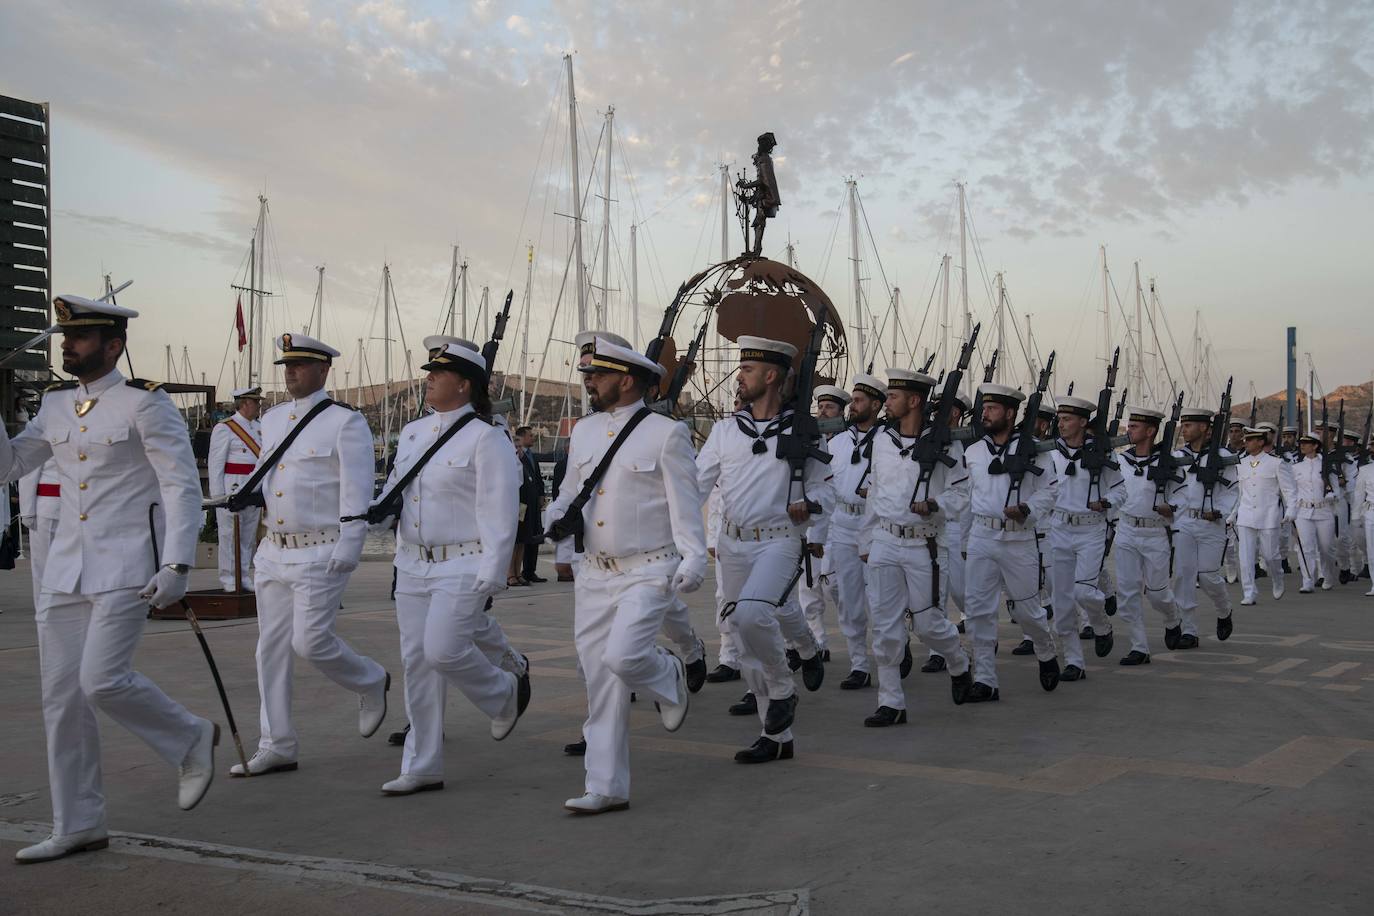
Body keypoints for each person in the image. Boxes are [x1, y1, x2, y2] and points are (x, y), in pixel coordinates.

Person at [2, 295, 217, 864]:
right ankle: (78, 822)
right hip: (64, 566)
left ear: (113, 344)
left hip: (127, 564)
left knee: (101, 680)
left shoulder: (145, 405)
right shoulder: (53, 405)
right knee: (61, 699)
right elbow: (10, 467)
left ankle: (189, 735)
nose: (67, 347)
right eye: (66, 339)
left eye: (79, 338)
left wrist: (178, 563)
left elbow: (180, 487)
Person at [547, 337, 706, 813]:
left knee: (623, 657)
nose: (588, 380)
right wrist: (552, 527)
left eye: (597, 374)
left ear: (627, 379)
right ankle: (606, 786)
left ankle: (668, 673)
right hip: (594, 571)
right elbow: (570, 492)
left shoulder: (665, 433)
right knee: (600, 679)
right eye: (586, 373)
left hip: (649, 568)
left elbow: (685, 503)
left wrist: (695, 557)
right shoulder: (584, 431)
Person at [228, 333, 390, 777]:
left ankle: (371, 680)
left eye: (300, 365)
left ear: (323, 370)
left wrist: (351, 545)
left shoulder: (344, 422)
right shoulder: (275, 419)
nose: (291, 372)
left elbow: (357, 488)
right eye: (286, 365)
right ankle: (276, 743)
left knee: (310, 642)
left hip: (321, 549)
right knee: (271, 649)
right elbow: (269, 475)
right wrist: (244, 495)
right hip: (274, 549)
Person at [378, 343, 531, 796]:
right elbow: (396, 490)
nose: (428, 378)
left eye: (438, 373)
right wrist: (376, 514)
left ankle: (504, 693)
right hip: (412, 562)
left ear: (464, 384)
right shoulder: (412, 433)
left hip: (462, 562)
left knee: (442, 651)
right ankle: (422, 765)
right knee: (416, 663)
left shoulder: (487, 439)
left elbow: (500, 509)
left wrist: (495, 569)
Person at [697, 336, 832, 763]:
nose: (740, 377)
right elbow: (694, 486)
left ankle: (782, 688)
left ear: (771, 376)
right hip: (734, 541)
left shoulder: (805, 432)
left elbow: (827, 492)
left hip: (779, 540)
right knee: (743, 634)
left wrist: (807, 506)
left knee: (754, 615)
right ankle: (776, 737)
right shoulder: (724, 432)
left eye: (748, 370)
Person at [856, 368, 973, 726]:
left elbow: (963, 494)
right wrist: (866, 538)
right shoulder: (881, 440)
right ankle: (891, 701)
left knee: (928, 625)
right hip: (885, 541)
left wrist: (935, 504)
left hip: (925, 545)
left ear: (914, 401)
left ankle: (957, 660)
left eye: (893, 397)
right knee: (886, 626)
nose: (886, 402)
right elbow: (875, 491)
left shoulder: (947, 444)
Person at [960, 383, 1060, 701]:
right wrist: (964, 539)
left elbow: (1050, 490)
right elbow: (966, 497)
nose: (985, 414)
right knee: (978, 610)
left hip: (1018, 539)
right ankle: (986, 679)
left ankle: (1045, 649)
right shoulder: (974, 451)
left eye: (992, 409)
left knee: (1028, 611)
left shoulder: (1035, 449)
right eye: (984, 408)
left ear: (1010, 413)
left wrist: (1027, 509)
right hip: (981, 536)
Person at [1045, 395, 1121, 680]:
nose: (1061, 425)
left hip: (1090, 529)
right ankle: (1074, 662)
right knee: (1062, 601)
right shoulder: (1050, 453)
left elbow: (1121, 491)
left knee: (1083, 591)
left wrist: (1105, 502)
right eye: (1060, 419)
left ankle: (1101, 625)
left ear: (1082, 422)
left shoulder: (1102, 453)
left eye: (1067, 420)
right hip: (1059, 529)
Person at [1112, 406, 1188, 664]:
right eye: (1129, 425)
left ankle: (1171, 617)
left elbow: (1183, 496)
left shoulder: (1169, 462)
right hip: (1126, 530)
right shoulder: (1121, 460)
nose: (1128, 430)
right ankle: (1139, 646)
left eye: (1134, 427)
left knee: (1157, 593)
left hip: (1154, 533)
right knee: (1127, 591)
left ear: (1151, 431)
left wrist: (1171, 508)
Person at [833, 373, 885, 689]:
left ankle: (891, 651)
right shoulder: (837, 441)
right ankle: (859, 665)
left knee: (878, 598)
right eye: (853, 399)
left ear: (876, 405)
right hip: (841, 523)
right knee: (848, 599)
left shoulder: (888, 442)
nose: (854, 405)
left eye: (860, 400)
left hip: (874, 524)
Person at [1171, 405, 1238, 643]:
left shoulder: (1223, 456)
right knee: (1183, 575)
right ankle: (1188, 629)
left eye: (1189, 425)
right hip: (1185, 521)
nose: (1184, 430)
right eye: (1183, 425)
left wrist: (1219, 511)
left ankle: (1224, 609)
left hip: (1211, 523)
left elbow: (1232, 490)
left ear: (1204, 428)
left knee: (1208, 575)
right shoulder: (1178, 457)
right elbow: (1171, 488)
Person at [795, 385, 850, 662]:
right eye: (821, 406)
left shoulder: (850, 442)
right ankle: (818, 641)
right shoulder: (809, 439)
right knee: (808, 587)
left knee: (835, 586)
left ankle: (852, 630)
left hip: (840, 524)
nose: (823, 411)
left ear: (841, 412)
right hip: (814, 523)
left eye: (830, 407)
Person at [1231, 427, 1297, 606]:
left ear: (1260, 442)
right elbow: (1240, 493)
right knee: (1245, 557)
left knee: (1270, 555)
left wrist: (1292, 509)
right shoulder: (1241, 464)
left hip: (1268, 515)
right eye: (1246, 440)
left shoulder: (1276, 463)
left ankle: (1278, 577)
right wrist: (1233, 513)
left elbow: (1289, 490)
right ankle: (1249, 591)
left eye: (1250, 440)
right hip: (1245, 515)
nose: (1246, 442)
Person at [207, 385, 264, 592]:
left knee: (248, 535)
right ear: (246, 403)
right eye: (257, 402)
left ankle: (243, 575)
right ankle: (229, 577)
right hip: (232, 485)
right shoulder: (225, 428)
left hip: (253, 486)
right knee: (229, 534)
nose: (259, 406)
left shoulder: (258, 428)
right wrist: (218, 497)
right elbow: (215, 464)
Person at [1290, 431, 1340, 593]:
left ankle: (1327, 575)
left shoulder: (1326, 464)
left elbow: (1336, 488)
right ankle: (1308, 581)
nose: (1302, 446)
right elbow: (1292, 491)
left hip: (1324, 511)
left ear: (1315, 446)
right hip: (1303, 512)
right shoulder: (1296, 467)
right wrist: (1292, 510)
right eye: (1301, 443)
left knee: (1326, 548)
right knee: (1306, 547)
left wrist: (1332, 494)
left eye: (1307, 443)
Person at [18, 456, 62, 607]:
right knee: (44, 567)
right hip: (49, 507)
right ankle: (46, 610)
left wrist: (27, 511)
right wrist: (27, 510)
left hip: (59, 508)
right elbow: (29, 472)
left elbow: (27, 471)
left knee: (44, 567)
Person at [510, 425, 547, 585]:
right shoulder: (513, 460)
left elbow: (535, 478)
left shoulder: (527, 457)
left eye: (519, 446)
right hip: (517, 504)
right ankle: (510, 574)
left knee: (524, 539)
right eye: (516, 446)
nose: (518, 449)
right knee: (516, 540)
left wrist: (540, 495)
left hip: (528, 505)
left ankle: (520, 573)